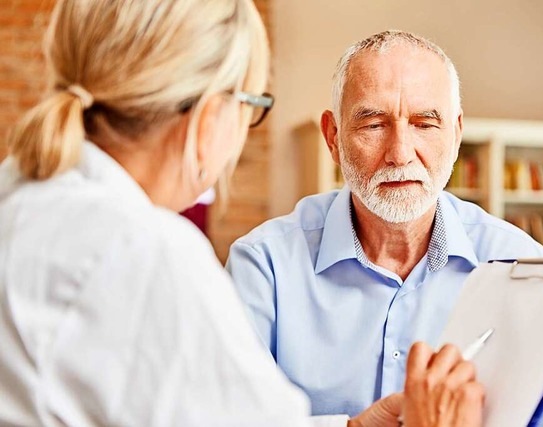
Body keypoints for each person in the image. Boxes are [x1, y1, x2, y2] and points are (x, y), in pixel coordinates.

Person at [0, 2, 484, 426]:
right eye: (252, 105)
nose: (400, 152)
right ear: (212, 115)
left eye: (424, 122)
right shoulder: (150, 255)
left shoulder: (20, 197)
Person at [227, 29, 543, 425]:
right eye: (373, 124)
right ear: (333, 137)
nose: (400, 153)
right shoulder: (265, 265)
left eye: (425, 123)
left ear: (457, 134)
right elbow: (215, 416)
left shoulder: (523, 263)